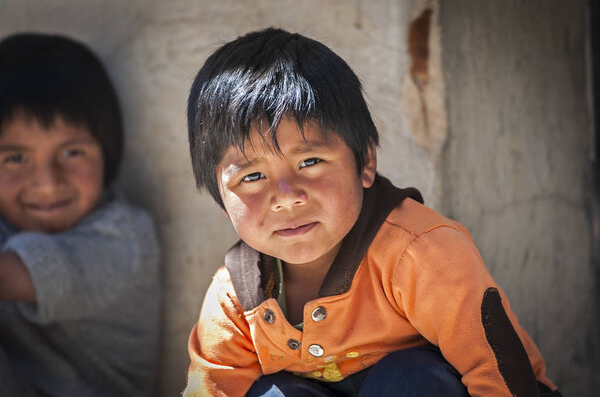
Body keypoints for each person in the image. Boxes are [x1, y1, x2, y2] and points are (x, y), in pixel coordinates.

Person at [183, 28, 561, 397]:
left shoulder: (418, 253)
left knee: (409, 381)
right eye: (252, 176)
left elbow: (498, 373)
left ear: (365, 161)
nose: (286, 197)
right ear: (221, 197)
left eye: (310, 160)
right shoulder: (235, 298)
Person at [0, 33, 160, 397]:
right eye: (15, 158)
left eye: (72, 153)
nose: (46, 182)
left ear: (108, 151)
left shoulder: (125, 242)